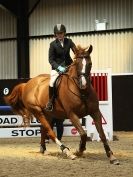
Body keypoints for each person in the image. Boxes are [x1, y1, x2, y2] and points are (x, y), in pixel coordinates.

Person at [45, 24, 76, 111]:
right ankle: (50, 102)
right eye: (57, 33)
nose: (59, 35)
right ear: (55, 34)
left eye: (61, 33)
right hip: (57, 68)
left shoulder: (69, 41)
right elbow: (51, 60)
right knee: (52, 82)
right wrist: (59, 68)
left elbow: (76, 51)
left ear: (64, 33)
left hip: (69, 66)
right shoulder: (52, 44)